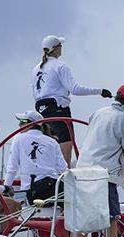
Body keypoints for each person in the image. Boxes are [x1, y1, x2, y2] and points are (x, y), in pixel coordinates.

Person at [32, 34, 112, 165]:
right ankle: (64, 180)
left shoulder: (36, 69)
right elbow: (75, 89)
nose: (62, 48)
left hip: (41, 113)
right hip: (58, 110)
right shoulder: (60, 66)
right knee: (65, 154)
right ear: (56, 49)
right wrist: (100, 91)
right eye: (61, 46)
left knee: (47, 149)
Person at [76, 84, 124, 237]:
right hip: (104, 174)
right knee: (112, 216)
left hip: (82, 172)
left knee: (85, 216)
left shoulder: (98, 113)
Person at [4, 111, 67, 205]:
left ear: (29, 124)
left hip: (32, 192)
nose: (19, 124)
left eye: (22, 121)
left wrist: (6, 188)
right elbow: (63, 169)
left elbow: (12, 168)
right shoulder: (52, 142)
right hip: (55, 189)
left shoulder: (18, 138)